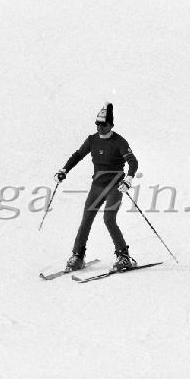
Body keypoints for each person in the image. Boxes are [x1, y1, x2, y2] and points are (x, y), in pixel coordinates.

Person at [54, 102, 138, 272]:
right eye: (97, 124)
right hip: (97, 187)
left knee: (109, 219)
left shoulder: (119, 141)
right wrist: (64, 170)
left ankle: (124, 256)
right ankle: (78, 256)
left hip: (115, 187)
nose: (99, 127)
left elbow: (133, 161)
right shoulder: (92, 140)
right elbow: (77, 155)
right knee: (86, 220)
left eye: (103, 124)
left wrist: (128, 179)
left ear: (111, 125)